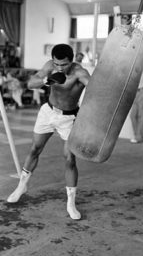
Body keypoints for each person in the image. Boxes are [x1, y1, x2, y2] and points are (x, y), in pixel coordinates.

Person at [7, 44, 90, 220]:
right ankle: (21, 186)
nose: (60, 68)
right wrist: (48, 81)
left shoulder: (79, 73)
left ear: (72, 60)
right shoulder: (50, 66)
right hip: (48, 112)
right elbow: (30, 83)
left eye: (64, 65)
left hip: (68, 119)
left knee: (69, 158)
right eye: (57, 64)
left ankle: (71, 202)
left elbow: (95, 91)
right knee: (35, 149)